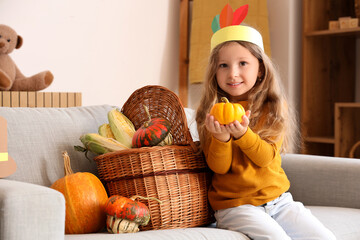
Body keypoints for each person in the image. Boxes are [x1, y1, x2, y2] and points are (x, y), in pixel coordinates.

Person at [195, 4, 336, 240]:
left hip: (279, 201)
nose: (233, 73)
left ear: (260, 69)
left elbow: (266, 157)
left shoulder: (271, 108)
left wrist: (242, 135)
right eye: (224, 65)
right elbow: (219, 168)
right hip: (235, 206)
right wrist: (221, 139)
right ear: (215, 72)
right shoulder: (212, 113)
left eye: (243, 63)